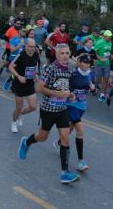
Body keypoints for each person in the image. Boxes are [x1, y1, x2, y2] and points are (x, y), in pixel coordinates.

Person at [17, 44, 80, 184]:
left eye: (67, 53)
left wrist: (70, 95)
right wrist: (58, 94)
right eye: (62, 53)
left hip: (62, 110)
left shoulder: (70, 69)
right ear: (57, 55)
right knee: (42, 137)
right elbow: (39, 88)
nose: (65, 55)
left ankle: (64, 173)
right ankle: (26, 142)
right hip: (48, 109)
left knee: (65, 138)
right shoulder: (50, 69)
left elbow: (66, 88)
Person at [57, 53, 95, 171]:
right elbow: (63, 85)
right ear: (79, 62)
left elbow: (91, 85)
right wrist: (69, 94)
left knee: (70, 128)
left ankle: (60, 142)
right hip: (71, 105)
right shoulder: (73, 73)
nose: (87, 65)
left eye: (89, 63)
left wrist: (93, 87)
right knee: (80, 130)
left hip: (82, 106)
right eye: (84, 62)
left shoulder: (90, 73)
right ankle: (81, 162)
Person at [9, 38, 40, 133]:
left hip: (30, 83)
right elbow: (10, 67)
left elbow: (36, 66)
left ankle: (21, 114)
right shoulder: (21, 55)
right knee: (18, 107)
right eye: (30, 47)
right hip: (19, 83)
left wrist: (36, 74)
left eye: (34, 47)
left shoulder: (36, 54)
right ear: (26, 46)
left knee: (33, 106)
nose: (32, 49)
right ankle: (14, 122)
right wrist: (18, 76)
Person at [94, 30, 113, 101]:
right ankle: (94, 86)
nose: (110, 38)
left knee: (106, 79)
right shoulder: (99, 42)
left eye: (111, 36)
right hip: (99, 64)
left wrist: (111, 55)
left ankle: (102, 95)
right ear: (105, 36)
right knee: (98, 79)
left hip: (107, 64)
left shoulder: (110, 43)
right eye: (109, 36)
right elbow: (94, 52)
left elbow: (108, 51)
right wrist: (100, 58)